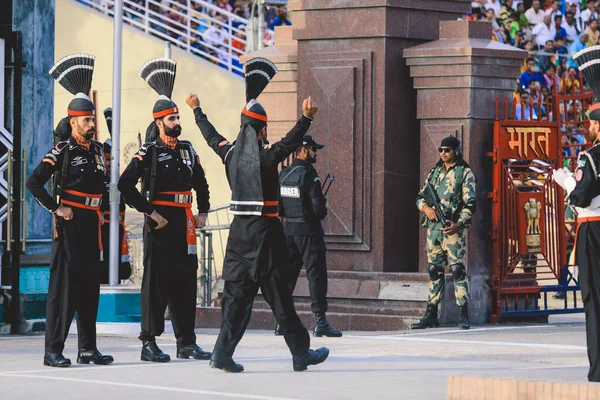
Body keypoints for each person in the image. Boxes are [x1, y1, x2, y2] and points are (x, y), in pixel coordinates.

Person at [187, 57, 328, 373]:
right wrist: (306, 118)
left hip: (238, 241)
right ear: (261, 129)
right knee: (281, 300)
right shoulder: (266, 159)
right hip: (267, 241)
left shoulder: (229, 154)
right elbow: (290, 143)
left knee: (237, 300)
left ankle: (222, 354)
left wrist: (197, 111)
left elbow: (211, 137)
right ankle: (300, 353)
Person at [118, 58, 211, 363]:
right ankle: (149, 342)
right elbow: (125, 185)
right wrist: (149, 212)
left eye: (177, 116)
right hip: (160, 227)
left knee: (186, 282)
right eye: (171, 118)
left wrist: (204, 211)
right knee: (156, 284)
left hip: (185, 226)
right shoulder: (149, 152)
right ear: (159, 122)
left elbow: (202, 183)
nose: (176, 121)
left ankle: (186, 342)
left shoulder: (188, 149)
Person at [27, 54, 113, 368]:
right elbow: (34, 182)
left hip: (92, 226)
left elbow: (102, 188)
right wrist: (56, 208)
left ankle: (88, 349)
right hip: (70, 224)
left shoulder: (100, 152)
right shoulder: (62, 150)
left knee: (91, 287)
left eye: (93, 119)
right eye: (87, 119)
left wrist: (105, 206)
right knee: (63, 291)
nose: (92, 123)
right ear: (74, 120)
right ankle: (53, 351)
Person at [554, 44, 600, 383]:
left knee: (594, 300)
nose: (589, 127)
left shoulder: (592, 156)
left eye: (592, 122)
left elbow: (582, 196)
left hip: (594, 231)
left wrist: (567, 181)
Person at [275, 135, 342, 338]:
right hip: (309, 232)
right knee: (316, 276)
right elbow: (318, 209)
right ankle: (320, 321)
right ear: (304, 150)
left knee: (288, 277)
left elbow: (279, 206)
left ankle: (281, 322)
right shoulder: (309, 174)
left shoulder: (284, 173)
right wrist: (323, 206)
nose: (316, 153)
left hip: (289, 232)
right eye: (314, 149)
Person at [411, 136, 477, 330]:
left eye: (447, 150)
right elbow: (420, 197)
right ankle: (431, 314)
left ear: (456, 150)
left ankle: (463, 314)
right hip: (434, 230)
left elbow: (470, 204)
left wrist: (458, 223)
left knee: (457, 271)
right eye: (440, 150)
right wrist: (426, 209)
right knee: (434, 271)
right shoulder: (435, 172)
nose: (443, 153)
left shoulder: (464, 173)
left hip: (452, 230)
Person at [99, 107, 132, 284]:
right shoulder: (97, 178)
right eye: (107, 159)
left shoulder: (118, 180)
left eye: (113, 160)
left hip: (117, 228)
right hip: (102, 229)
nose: (110, 164)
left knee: (119, 270)